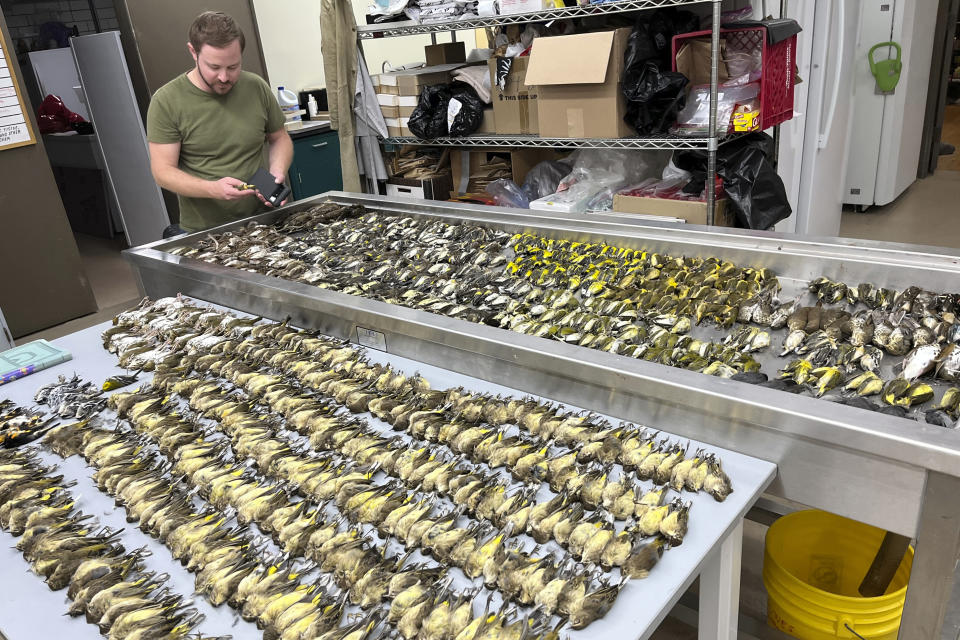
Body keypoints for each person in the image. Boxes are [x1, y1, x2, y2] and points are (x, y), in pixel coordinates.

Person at [147, 11, 293, 234]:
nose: (224, 77)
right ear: (193, 52)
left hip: (265, 220)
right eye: (214, 67)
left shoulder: (256, 87)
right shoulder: (166, 101)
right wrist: (212, 189)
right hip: (205, 231)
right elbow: (162, 171)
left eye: (233, 67)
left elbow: (279, 138)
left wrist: (276, 173)